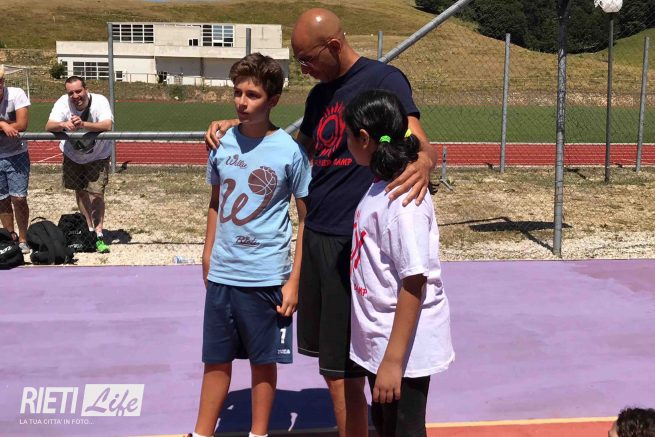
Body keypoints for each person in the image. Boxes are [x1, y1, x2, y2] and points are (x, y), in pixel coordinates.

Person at [205, 9, 437, 436]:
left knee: (366, 363)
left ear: (333, 45)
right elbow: (291, 150)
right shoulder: (318, 97)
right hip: (319, 236)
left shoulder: (383, 81)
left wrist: (424, 161)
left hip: (356, 241)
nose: (304, 69)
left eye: (308, 59)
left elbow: (416, 139)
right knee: (335, 370)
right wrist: (240, 126)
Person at [189, 53, 311, 437]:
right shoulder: (221, 142)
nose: (242, 102)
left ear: (273, 100)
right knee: (215, 360)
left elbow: (306, 218)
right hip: (223, 272)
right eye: (238, 93)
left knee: (262, 363)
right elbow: (216, 202)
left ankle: (259, 433)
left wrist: (294, 281)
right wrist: (207, 253)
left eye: (253, 95)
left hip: (266, 277)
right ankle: (201, 433)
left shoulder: (289, 151)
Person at [344, 89, 453, 437]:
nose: (346, 142)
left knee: (404, 428)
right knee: (386, 425)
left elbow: (414, 282)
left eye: (348, 136)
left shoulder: (403, 203)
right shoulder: (381, 185)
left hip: (404, 349)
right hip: (380, 337)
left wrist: (393, 361)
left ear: (364, 138)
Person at [45, 76, 113, 253]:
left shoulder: (100, 101)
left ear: (86, 89)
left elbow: (107, 124)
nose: (75, 96)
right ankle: (88, 229)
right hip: (73, 155)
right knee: (80, 191)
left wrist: (83, 124)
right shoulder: (63, 102)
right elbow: (49, 126)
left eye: (78, 91)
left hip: (98, 155)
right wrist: (63, 124)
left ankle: (98, 233)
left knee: (96, 194)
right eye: (71, 93)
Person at [0, 65, 31, 255]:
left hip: (16, 153)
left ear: (3, 81)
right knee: (2, 199)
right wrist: (3, 124)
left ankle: (23, 238)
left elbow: (22, 124)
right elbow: (12, 125)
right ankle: (9, 238)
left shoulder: (16, 94)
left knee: (19, 198)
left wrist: (7, 124)